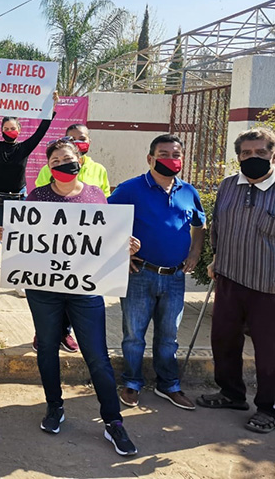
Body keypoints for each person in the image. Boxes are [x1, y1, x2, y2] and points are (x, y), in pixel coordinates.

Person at [0, 138, 139, 456]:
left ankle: (113, 422)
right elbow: (26, 239)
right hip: (44, 291)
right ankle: (54, 407)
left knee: (97, 355)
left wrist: (123, 248)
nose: (63, 163)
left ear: (80, 161)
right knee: (47, 349)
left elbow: (103, 241)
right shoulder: (37, 197)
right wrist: (9, 235)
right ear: (49, 167)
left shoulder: (96, 196)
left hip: (84, 290)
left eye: (68, 158)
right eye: (56, 160)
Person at [108, 134, 205, 411]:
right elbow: (103, 221)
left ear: (182, 160)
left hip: (175, 278)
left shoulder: (189, 192)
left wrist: (196, 252)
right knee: (134, 335)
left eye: (175, 155)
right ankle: (132, 382)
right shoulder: (129, 190)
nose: (169, 160)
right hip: (140, 274)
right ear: (150, 158)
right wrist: (119, 252)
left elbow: (199, 225)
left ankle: (169, 385)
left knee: (169, 336)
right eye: (163, 154)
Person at [197, 127, 275, 433]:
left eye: (260, 152)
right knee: (224, 341)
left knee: (269, 350)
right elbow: (218, 227)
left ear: (272, 153)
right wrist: (216, 260)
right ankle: (231, 393)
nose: (252, 157)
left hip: (269, 287)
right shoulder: (228, 186)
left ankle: (268, 408)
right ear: (238, 156)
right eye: (246, 153)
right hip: (229, 279)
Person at [32, 124, 110, 354]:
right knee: (51, 291)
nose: (77, 141)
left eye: (81, 138)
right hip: (53, 242)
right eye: (72, 138)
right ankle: (44, 332)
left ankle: (65, 333)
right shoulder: (50, 168)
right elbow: (37, 206)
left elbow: (105, 207)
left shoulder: (99, 170)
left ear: (88, 142)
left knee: (76, 291)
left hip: (84, 246)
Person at [0, 90, 56, 269]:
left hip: (19, 200)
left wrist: (52, 106)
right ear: (1, 130)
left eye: (13, 128)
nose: (9, 131)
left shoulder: (24, 147)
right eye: (6, 128)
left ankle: (18, 279)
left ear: (19, 130)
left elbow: (42, 130)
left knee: (19, 242)